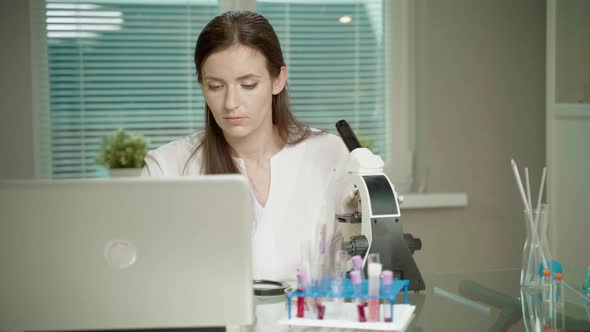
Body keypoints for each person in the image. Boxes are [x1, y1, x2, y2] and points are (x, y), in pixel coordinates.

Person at [141, 11, 349, 281]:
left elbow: (357, 266)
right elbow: (149, 278)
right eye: (215, 86)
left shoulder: (330, 155)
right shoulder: (167, 167)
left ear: (278, 80)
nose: (230, 103)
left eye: (248, 85)